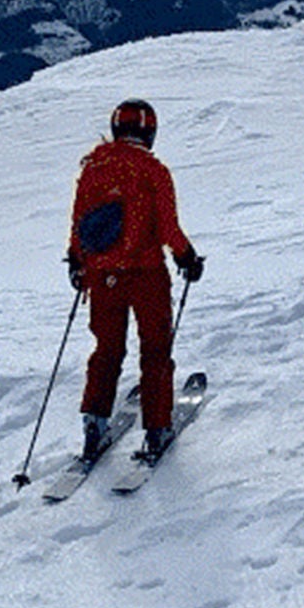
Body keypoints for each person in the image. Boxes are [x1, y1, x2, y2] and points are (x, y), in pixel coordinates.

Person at [67, 99, 205, 462]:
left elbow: (80, 222)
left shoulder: (93, 167)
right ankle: (157, 429)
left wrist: (77, 263)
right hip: (146, 275)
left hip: (102, 276)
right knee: (155, 349)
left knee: (107, 351)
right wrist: (187, 257)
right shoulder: (153, 170)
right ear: (150, 132)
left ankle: (94, 425)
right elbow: (168, 228)